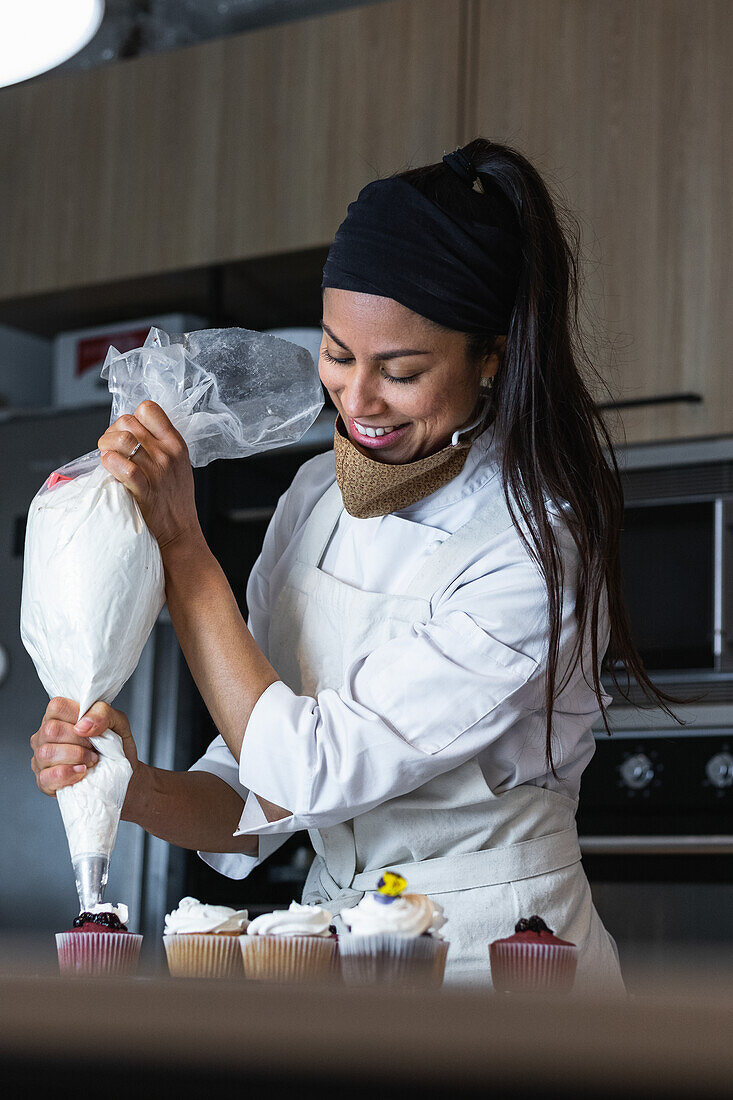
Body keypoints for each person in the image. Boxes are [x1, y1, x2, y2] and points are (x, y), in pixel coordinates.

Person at [30, 139, 684, 991]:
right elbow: (255, 795)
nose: (358, 400)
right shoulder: (316, 495)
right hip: (334, 940)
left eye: (400, 370)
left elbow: (309, 767)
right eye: (337, 355)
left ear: (490, 355)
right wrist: (127, 784)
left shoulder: (532, 543)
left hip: (500, 954)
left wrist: (184, 549)